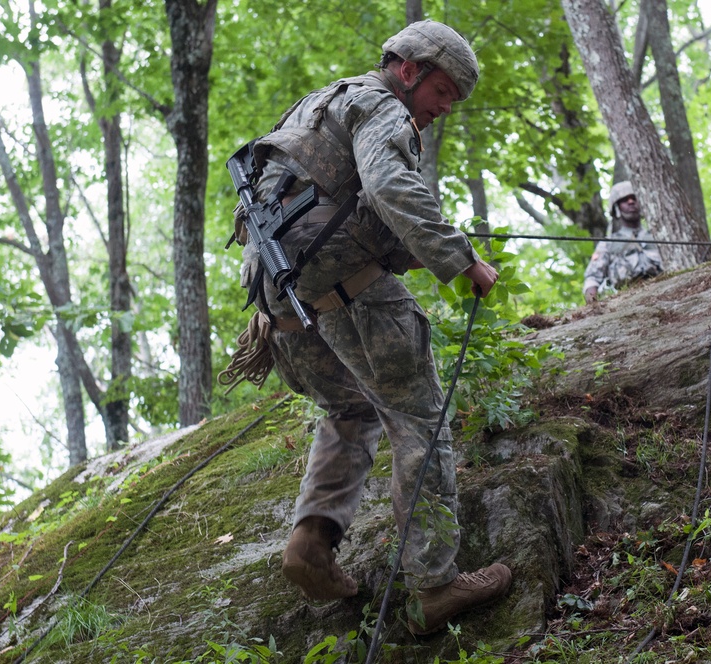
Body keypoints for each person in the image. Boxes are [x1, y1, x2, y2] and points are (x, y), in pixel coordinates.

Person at [233, 20, 511, 636]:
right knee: (420, 419)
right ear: (408, 71)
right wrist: (461, 262)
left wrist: (405, 251)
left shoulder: (319, 106)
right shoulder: (382, 105)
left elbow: (333, 208)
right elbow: (388, 187)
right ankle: (435, 584)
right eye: (442, 92)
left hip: (280, 303)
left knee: (351, 408)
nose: (443, 109)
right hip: (339, 295)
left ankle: (312, 543)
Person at [582, 181, 663, 304]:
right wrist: (592, 306)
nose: (631, 202)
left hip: (664, 289)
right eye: (625, 200)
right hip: (624, 299)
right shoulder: (608, 243)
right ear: (617, 207)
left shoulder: (659, 236)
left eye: (634, 198)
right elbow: (593, 277)